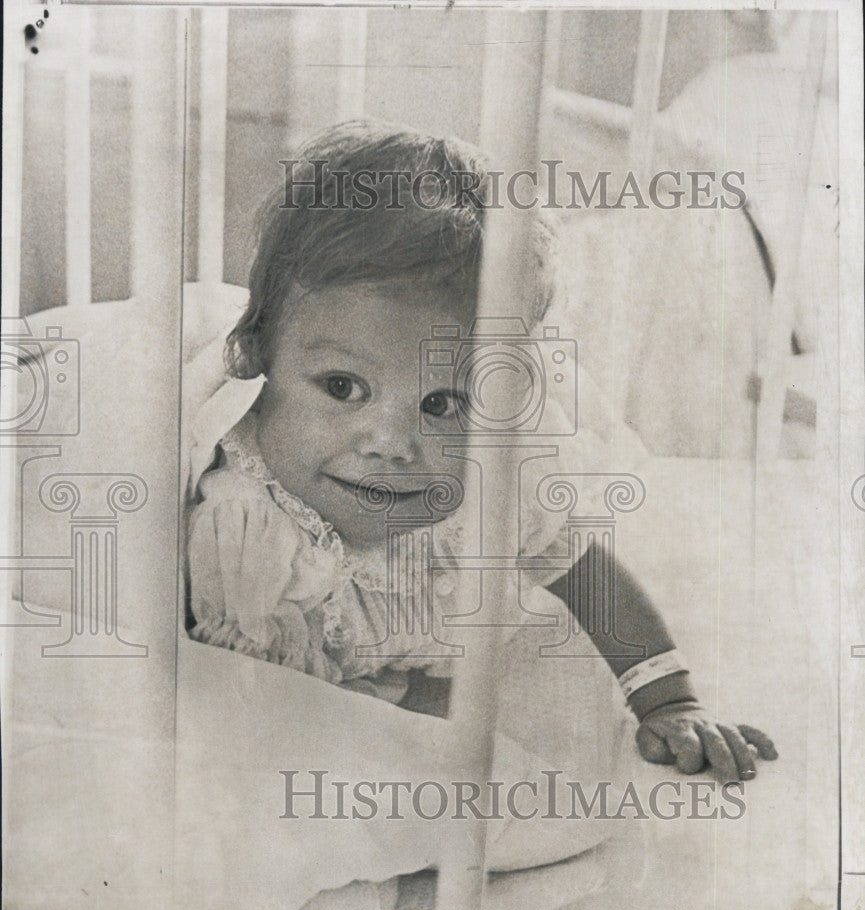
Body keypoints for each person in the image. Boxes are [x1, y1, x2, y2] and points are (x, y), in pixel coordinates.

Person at [186, 119, 777, 796]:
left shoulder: (490, 486)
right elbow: (231, 709)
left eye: (442, 403)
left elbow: (585, 572)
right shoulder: (247, 523)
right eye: (343, 388)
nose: (390, 443)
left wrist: (668, 701)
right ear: (258, 357)